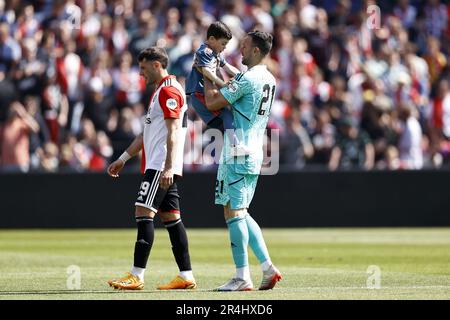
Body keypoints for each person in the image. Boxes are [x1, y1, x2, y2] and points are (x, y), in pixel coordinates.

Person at [107, 47, 196, 290]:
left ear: (157, 65)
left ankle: (137, 275)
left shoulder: (168, 89)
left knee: (143, 212)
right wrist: (123, 158)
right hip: (160, 163)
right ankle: (186, 275)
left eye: (144, 68)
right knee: (172, 219)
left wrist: (168, 166)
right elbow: (145, 133)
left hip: (160, 164)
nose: (141, 74)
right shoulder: (161, 91)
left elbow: (173, 131)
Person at [203, 31, 282, 291]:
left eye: (245, 46)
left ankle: (241, 277)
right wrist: (223, 66)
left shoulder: (248, 79)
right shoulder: (268, 78)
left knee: (234, 213)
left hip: (238, 151)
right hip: (254, 150)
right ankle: (268, 267)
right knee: (239, 210)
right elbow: (240, 82)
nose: (240, 50)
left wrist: (206, 74)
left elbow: (214, 100)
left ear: (256, 50)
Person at [186, 21, 240, 132]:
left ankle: (230, 143)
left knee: (225, 119)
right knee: (226, 115)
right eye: (223, 43)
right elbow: (206, 71)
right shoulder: (205, 52)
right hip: (199, 93)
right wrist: (223, 83)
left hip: (206, 92)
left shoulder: (216, 53)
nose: (225, 47)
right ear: (211, 39)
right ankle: (233, 145)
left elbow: (227, 67)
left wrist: (242, 76)